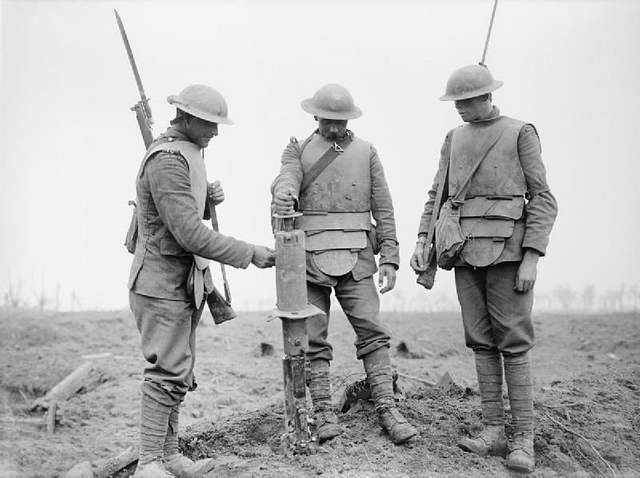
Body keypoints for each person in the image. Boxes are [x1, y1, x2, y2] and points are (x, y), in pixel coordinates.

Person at [410, 64, 557, 473]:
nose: (459, 108)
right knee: (479, 339)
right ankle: (493, 430)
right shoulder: (453, 139)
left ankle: (522, 439)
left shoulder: (520, 132)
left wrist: (532, 256)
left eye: (466, 100)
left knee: (513, 340)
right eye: (455, 101)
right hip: (463, 253)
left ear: (487, 96)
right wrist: (424, 241)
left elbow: (543, 199)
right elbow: (436, 196)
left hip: (510, 254)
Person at [127, 84, 276, 477]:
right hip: (161, 285)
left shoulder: (186, 154)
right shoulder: (168, 161)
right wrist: (250, 253)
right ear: (187, 118)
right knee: (166, 372)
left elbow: (179, 211)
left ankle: (170, 454)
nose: (215, 132)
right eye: (209, 123)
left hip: (181, 282)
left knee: (179, 371)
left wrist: (207, 198)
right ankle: (149, 462)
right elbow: (189, 234)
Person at [271, 84, 418, 445]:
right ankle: (322, 413)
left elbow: (383, 207)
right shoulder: (298, 150)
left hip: (358, 257)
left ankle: (386, 406)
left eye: (341, 121)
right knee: (313, 338)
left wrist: (391, 258)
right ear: (315, 116)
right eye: (328, 120)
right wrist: (284, 193)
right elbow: (288, 177)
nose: (335, 128)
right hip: (309, 259)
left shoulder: (367, 152)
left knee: (372, 330)